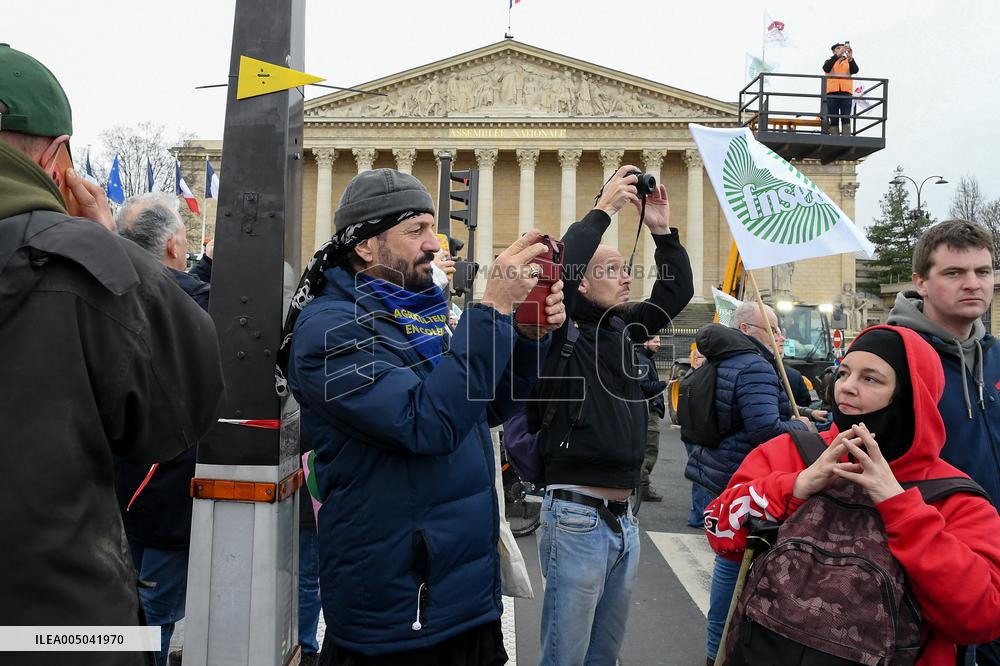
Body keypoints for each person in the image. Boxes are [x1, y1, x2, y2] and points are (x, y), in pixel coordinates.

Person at [284, 168, 566, 665]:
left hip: (464, 595)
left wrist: (528, 336)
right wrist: (493, 310)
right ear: (366, 246)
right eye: (415, 230)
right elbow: (427, 422)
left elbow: (486, 407)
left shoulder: (422, 311)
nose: (435, 245)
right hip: (397, 611)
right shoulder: (328, 331)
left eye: (433, 228)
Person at [0, 45, 224, 666]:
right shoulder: (81, 261)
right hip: (55, 628)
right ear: (57, 158)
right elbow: (183, 407)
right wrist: (101, 245)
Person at [704, 326, 1000, 665]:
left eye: (871, 379)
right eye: (844, 372)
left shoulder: (955, 496)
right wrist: (794, 486)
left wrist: (900, 507)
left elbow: (981, 617)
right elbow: (718, 529)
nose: (846, 386)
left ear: (910, 396)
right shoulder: (792, 452)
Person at [530, 166, 694, 665]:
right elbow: (563, 268)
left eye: (627, 268)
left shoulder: (621, 328)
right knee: (566, 655)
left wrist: (663, 232)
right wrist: (605, 209)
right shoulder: (559, 332)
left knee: (604, 656)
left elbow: (676, 294)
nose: (626, 277)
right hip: (576, 515)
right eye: (612, 270)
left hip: (624, 520)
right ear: (580, 285)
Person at [887, 219, 1000, 665]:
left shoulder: (996, 357)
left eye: (983, 272)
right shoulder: (890, 356)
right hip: (934, 563)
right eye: (954, 273)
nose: (973, 284)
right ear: (921, 282)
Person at [114, 193, 214, 665]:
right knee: (156, 613)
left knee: (130, 601)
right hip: (167, 484)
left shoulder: (108, 294)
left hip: (122, 481)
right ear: (175, 244)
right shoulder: (195, 303)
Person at [684, 301, 811, 665]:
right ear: (746, 330)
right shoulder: (755, 365)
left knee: (729, 558)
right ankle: (721, 650)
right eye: (771, 327)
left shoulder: (726, 359)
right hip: (743, 475)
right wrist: (801, 427)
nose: (779, 335)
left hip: (719, 467)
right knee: (735, 563)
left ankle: (717, 649)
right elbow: (764, 429)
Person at [637, 335, 668, 502]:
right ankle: (643, 487)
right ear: (645, 341)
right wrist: (664, 384)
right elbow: (644, 386)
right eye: (655, 341)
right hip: (648, 411)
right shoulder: (642, 360)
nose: (659, 344)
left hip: (646, 410)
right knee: (649, 449)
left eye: (660, 341)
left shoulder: (645, 358)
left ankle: (640, 485)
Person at [822, 42, 858, 135]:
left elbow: (855, 70)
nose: (841, 50)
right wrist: (837, 56)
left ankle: (846, 137)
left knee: (846, 116)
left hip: (846, 92)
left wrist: (850, 58)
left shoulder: (848, 61)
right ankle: (834, 137)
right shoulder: (829, 61)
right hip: (832, 92)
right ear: (833, 51)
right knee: (833, 117)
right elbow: (826, 68)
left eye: (842, 48)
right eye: (838, 48)